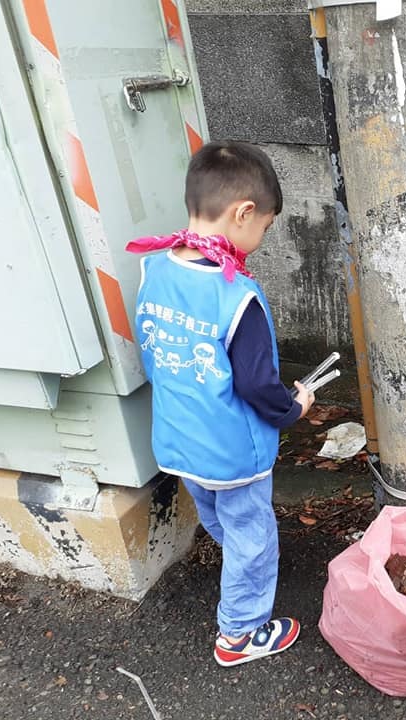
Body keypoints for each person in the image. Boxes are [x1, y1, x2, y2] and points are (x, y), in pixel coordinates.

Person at [126, 141, 315, 666]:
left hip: (179, 440)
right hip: (233, 452)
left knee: (222, 520)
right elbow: (259, 387)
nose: (261, 239)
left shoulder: (156, 269)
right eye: (265, 227)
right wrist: (295, 406)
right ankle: (239, 632)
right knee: (252, 536)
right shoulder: (238, 297)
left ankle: (240, 570)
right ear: (243, 213)